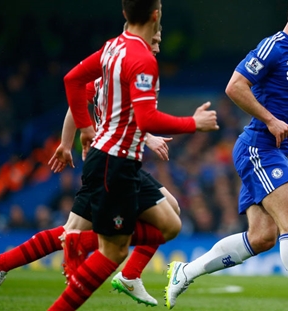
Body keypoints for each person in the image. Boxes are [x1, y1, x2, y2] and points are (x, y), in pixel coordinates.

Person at [0, 25, 191, 307]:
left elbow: (83, 102)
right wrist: (69, 143)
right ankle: (125, 273)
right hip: (111, 161)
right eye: (154, 39)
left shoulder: (113, 70)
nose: (157, 45)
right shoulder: (128, 69)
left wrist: (68, 143)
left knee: (168, 210)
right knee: (80, 233)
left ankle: (3, 263)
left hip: (115, 159)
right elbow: (98, 105)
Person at [164, 1, 288, 311]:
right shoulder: (273, 47)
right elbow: (235, 86)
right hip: (259, 147)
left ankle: (185, 272)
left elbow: (279, 101)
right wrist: (271, 121)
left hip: (273, 148)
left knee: (261, 238)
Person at [53, 0, 218, 308]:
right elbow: (147, 119)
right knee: (113, 251)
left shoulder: (113, 47)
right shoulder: (142, 58)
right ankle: (74, 262)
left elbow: (71, 79)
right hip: (114, 163)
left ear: (125, 13)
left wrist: (86, 128)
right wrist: (194, 123)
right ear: (156, 15)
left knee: (170, 225)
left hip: (115, 160)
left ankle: (90, 248)